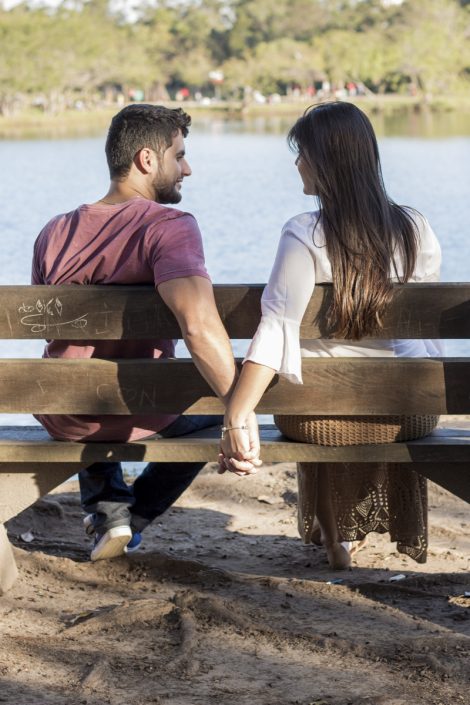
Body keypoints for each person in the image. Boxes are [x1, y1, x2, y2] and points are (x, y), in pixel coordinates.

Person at [32, 103, 260, 561]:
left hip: (61, 409)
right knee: (213, 411)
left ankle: (108, 512)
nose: (187, 169)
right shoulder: (168, 226)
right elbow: (197, 324)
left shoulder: (53, 231)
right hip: (137, 410)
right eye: (180, 155)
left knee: (88, 380)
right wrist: (238, 409)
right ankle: (132, 517)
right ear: (147, 160)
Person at [219, 101, 441, 570]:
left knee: (309, 400)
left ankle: (335, 536)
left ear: (325, 161)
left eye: (302, 153)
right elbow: (422, 333)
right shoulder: (415, 227)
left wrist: (238, 411)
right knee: (353, 391)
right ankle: (347, 527)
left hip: (321, 416)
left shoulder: (304, 233)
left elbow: (277, 325)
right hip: (409, 414)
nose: (296, 162)